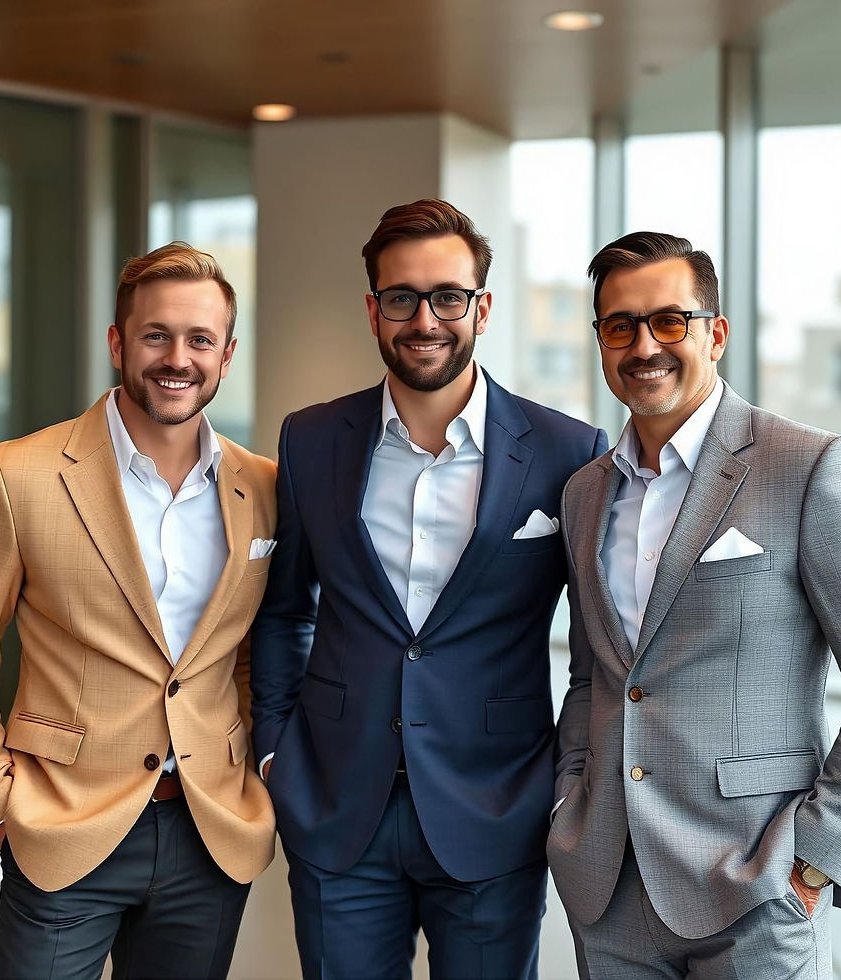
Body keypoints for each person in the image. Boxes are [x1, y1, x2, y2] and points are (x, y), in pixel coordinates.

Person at [249, 198, 607, 979]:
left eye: (448, 296)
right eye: (401, 298)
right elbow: (284, 612)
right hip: (337, 805)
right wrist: (276, 752)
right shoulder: (311, 438)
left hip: (498, 809)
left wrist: (564, 782)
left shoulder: (567, 450)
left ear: (482, 307)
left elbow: (595, 648)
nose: (426, 319)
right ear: (373, 311)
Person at [548, 230, 841, 978]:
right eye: (620, 325)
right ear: (601, 341)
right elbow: (595, 678)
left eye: (668, 320)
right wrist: (569, 803)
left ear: (716, 333)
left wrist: (815, 857)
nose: (644, 344)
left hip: (758, 891)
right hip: (610, 890)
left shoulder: (806, 467)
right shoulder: (585, 494)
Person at [0, 242, 278, 979]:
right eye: (156, 335)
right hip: (63, 824)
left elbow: (251, 648)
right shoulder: (18, 474)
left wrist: (246, 767)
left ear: (227, 353)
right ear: (119, 342)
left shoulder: (264, 485)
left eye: (200, 339)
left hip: (208, 829)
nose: (176, 358)